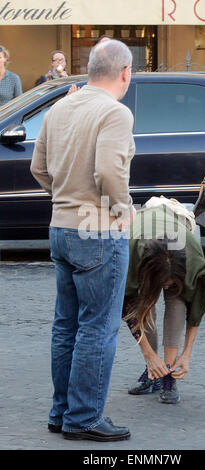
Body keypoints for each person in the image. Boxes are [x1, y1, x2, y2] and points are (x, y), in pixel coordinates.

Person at [31, 39, 135, 441]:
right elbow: (110, 174)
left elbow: (38, 167)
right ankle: (84, 417)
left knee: (66, 325)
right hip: (98, 228)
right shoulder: (115, 112)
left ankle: (63, 413)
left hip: (61, 225)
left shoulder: (60, 107)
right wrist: (123, 211)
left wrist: (65, 197)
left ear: (91, 68)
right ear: (125, 72)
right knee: (98, 327)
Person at [122, 201, 205, 404]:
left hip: (177, 238)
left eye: (169, 283)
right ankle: (153, 369)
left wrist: (186, 354)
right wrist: (149, 355)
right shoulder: (129, 253)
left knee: (177, 301)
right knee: (144, 305)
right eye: (162, 284)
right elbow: (127, 306)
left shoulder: (193, 261)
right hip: (142, 241)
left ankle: (168, 374)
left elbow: (197, 308)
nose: (164, 287)